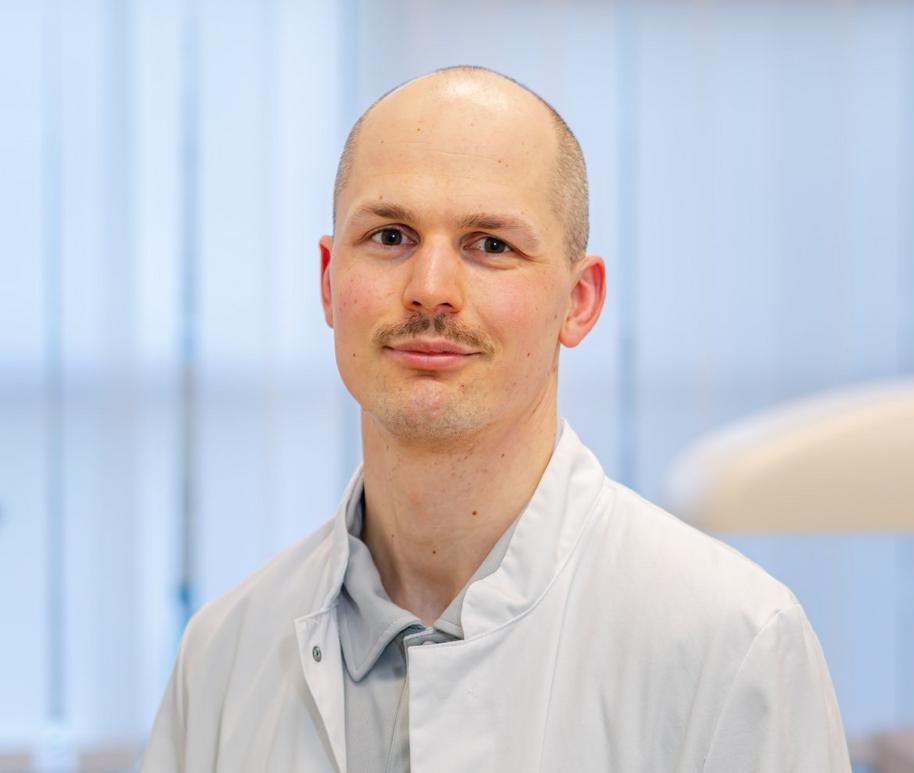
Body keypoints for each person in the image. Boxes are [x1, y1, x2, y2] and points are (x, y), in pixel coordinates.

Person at [142, 66, 850, 772]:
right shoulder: (221, 657)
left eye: (490, 244)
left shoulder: (733, 645)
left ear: (579, 301)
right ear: (329, 281)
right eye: (390, 236)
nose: (430, 290)